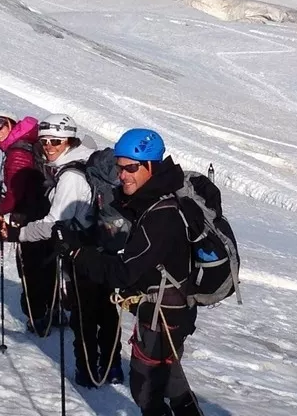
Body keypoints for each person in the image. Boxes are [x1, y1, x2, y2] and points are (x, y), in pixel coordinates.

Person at [67, 128, 203, 415]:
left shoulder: (161, 215)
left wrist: (78, 253)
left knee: (146, 390)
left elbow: (122, 273)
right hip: (171, 309)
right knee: (171, 382)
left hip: (163, 315)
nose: (123, 175)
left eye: (131, 168)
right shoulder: (153, 198)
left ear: (151, 166)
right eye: (119, 168)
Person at [19, 114, 124, 386]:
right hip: (105, 246)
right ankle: (112, 366)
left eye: (56, 141)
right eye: (44, 141)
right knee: (106, 309)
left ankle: (86, 370)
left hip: (81, 250)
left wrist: (19, 234)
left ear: (70, 141)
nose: (48, 147)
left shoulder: (70, 176)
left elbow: (53, 224)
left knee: (84, 313)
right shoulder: (86, 161)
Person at [0, 110, 53, 334]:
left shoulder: (17, 153)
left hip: (28, 217)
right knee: (45, 264)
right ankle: (51, 310)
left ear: (10, 123)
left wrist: (1, 207)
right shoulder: (27, 144)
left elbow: (15, 194)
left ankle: (37, 317)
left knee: (30, 268)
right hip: (43, 213)